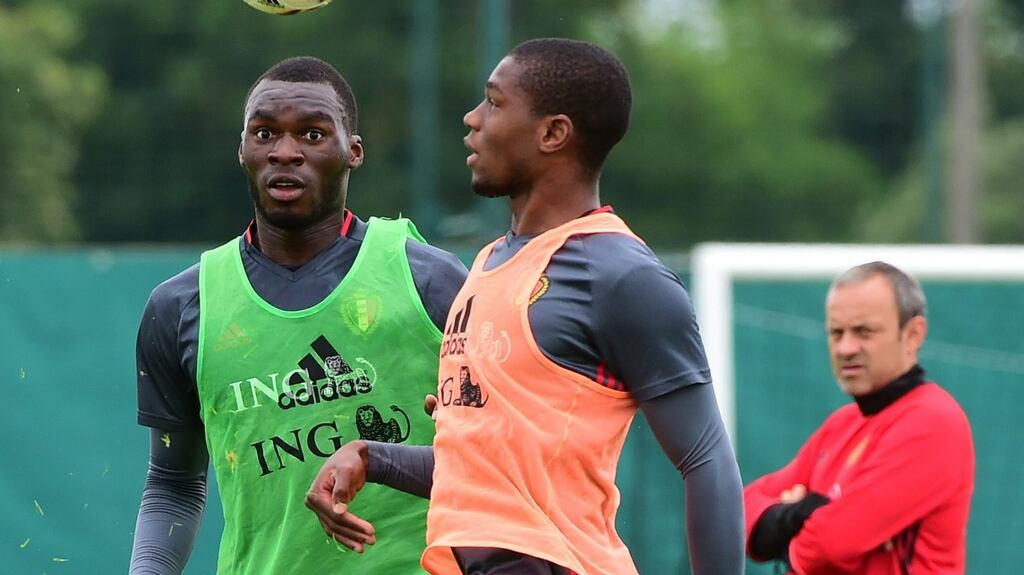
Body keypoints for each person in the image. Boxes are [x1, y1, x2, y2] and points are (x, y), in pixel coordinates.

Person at [306, 38, 745, 575]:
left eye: (494, 102)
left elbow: (706, 458)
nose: (472, 119)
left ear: (553, 133)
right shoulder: (489, 262)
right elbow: (488, 475)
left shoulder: (619, 274)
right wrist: (372, 457)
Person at [128, 56, 467, 574]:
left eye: (312, 134)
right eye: (264, 133)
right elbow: (173, 484)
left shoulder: (430, 281)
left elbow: (497, 454)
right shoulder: (181, 308)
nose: (285, 152)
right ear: (242, 149)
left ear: (353, 152)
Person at [742, 261, 975, 574]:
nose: (846, 348)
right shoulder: (842, 424)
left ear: (913, 334)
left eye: (864, 331)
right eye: (836, 333)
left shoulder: (934, 422)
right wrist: (793, 515)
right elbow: (739, 509)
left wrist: (783, 532)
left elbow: (828, 545)